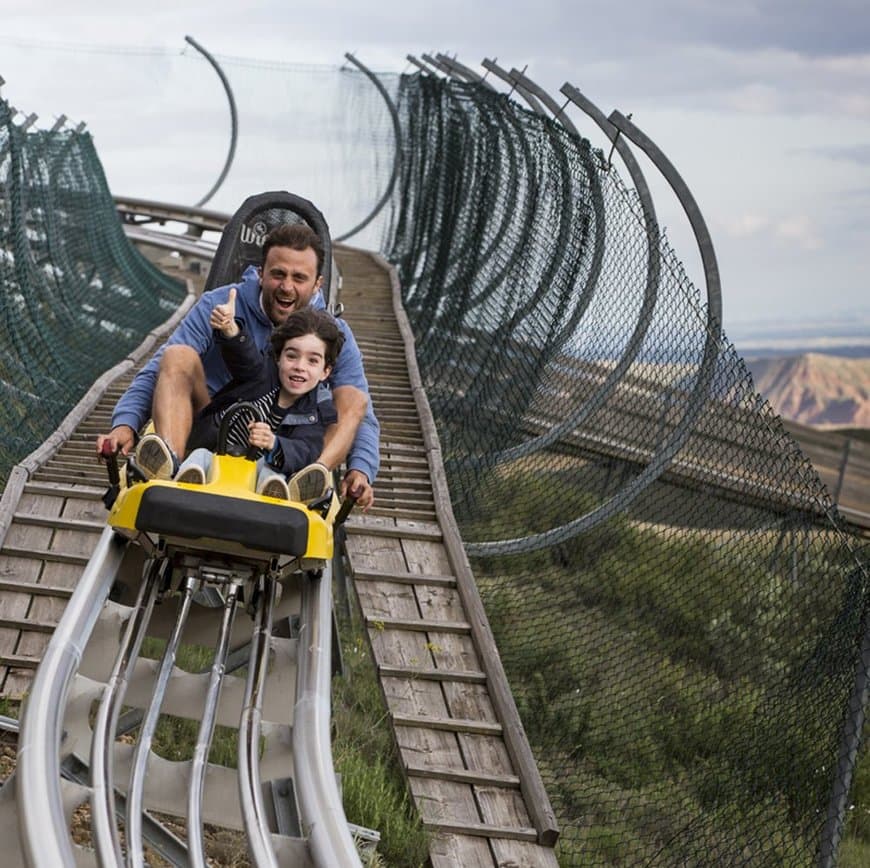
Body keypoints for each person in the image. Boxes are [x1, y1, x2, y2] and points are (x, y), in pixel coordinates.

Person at [96, 223, 377, 509]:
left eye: (299, 278)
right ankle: (169, 463)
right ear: (261, 273)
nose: (287, 287)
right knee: (177, 355)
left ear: (317, 284)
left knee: (354, 397)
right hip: (212, 425)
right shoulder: (219, 304)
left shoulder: (332, 333)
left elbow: (359, 412)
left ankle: (308, 481)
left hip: (285, 443)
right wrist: (126, 424)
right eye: (278, 274)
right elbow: (160, 371)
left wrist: (361, 468)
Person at [175, 307, 341, 502]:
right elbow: (244, 357)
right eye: (291, 356)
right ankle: (186, 480)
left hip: (253, 480)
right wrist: (231, 331)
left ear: (325, 371)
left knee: (271, 471)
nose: (299, 366)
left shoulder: (316, 411)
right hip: (216, 455)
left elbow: (306, 449)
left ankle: (271, 495)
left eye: (312, 361)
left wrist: (274, 443)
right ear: (278, 358)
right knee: (199, 455)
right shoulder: (261, 375)